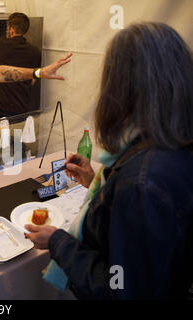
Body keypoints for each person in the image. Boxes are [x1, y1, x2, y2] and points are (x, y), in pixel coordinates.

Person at [24, 22, 193, 299]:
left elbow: (118, 287)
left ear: (123, 87)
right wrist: (96, 182)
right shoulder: (173, 144)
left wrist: (58, 241)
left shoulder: (143, 182)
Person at [0, 12, 42, 119]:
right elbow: (33, 80)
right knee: (17, 134)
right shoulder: (36, 52)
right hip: (23, 108)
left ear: (11, 30)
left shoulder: (1, 43)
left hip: (2, 108)